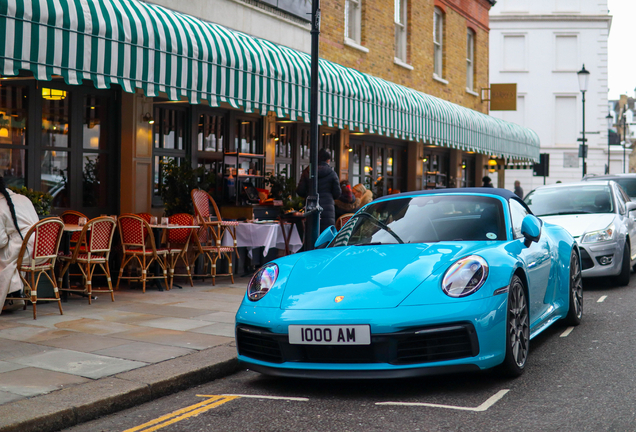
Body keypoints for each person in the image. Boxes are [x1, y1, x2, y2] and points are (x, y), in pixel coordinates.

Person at [0, 177, 39, 313]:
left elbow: (1, 241)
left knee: (3, 256)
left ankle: (13, 293)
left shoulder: (0, 205)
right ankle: (15, 292)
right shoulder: (24, 199)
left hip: (24, 251)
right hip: (42, 250)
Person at [296, 149, 341, 232]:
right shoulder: (332, 173)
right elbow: (337, 193)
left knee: (311, 234)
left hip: (310, 207)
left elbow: (300, 191)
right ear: (328, 160)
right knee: (327, 235)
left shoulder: (307, 172)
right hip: (328, 210)